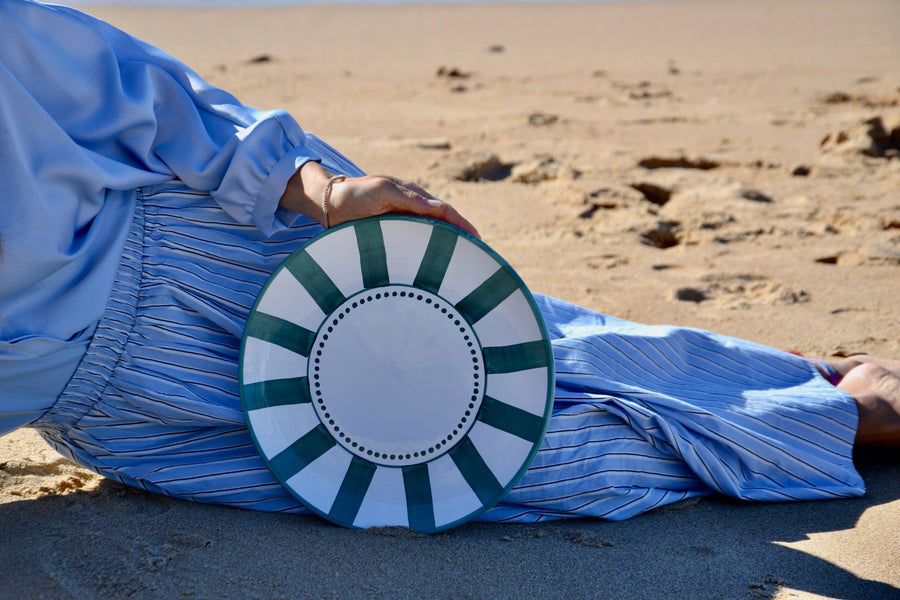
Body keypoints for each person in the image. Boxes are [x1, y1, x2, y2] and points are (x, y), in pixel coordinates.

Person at [1, 0, 898, 525]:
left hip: (195, 259)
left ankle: (827, 398)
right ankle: (817, 410)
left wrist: (316, 188)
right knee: (499, 477)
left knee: (520, 369)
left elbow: (141, 97)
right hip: (129, 418)